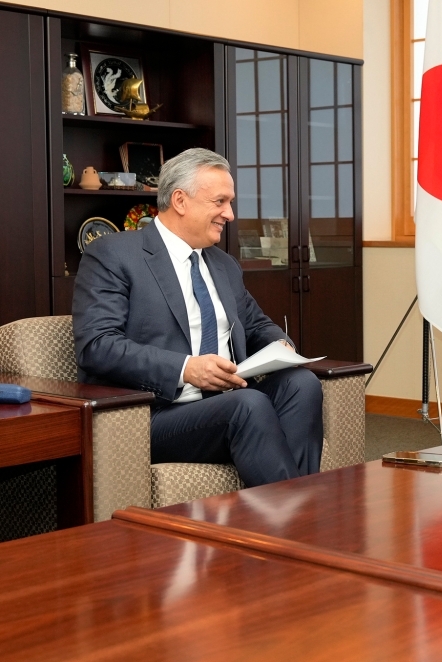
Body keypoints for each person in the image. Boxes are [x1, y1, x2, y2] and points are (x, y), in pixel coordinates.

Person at [73, 148, 323, 486]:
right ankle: (297, 524)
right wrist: (186, 368)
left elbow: (256, 324)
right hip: (155, 412)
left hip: (227, 402)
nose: (230, 214)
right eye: (220, 202)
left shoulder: (223, 265)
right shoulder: (114, 255)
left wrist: (279, 345)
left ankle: (289, 515)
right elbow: (98, 346)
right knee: (246, 405)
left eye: (230, 203)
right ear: (180, 200)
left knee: (302, 385)